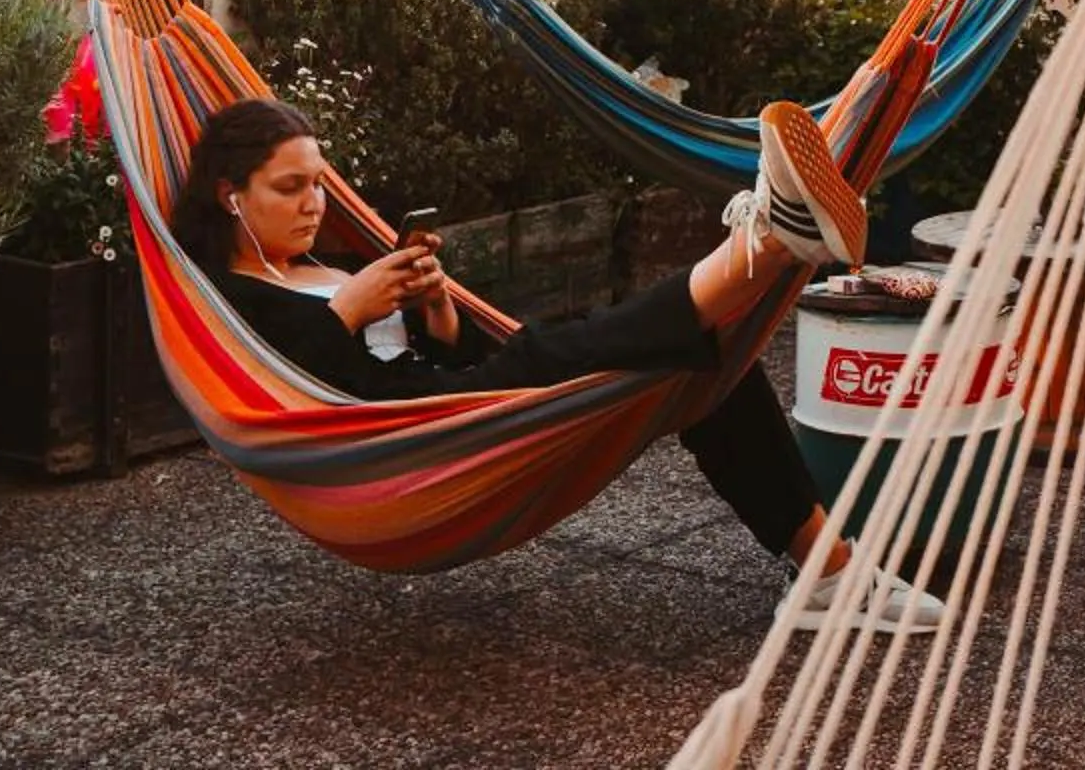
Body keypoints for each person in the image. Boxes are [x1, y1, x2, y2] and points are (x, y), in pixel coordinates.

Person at [168, 93, 944, 632]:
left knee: (703, 367)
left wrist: (434, 309)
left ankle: (828, 574)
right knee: (574, 346)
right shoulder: (237, 299)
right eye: (291, 187)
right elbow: (316, 400)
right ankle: (773, 238)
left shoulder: (320, 266)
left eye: (318, 185)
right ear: (232, 196)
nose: (314, 204)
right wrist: (349, 309)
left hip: (457, 408)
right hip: (411, 444)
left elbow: (450, 356)